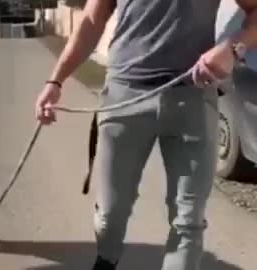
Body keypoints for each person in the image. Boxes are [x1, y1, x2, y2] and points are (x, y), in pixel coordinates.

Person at [35, 1, 257, 269]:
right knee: (110, 215)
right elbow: (92, 21)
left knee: (188, 222)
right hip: (124, 96)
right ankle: (107, 258)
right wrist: (55, 81)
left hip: (193, 97)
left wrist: (232, 49)